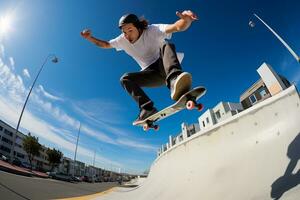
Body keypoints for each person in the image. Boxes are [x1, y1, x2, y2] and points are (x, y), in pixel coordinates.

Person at [81, 10, 198, 124]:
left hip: (166, 66)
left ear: (139, 27)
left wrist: (186, 21)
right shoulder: (122, 40)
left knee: (166, 44)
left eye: (130, 30)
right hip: (151, 75)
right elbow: (106, 44)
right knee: (125, 79)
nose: (127, 35)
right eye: (124, 32)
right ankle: (147, 109)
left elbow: (176, 27)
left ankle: (175, 81)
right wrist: (89, 38)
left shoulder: (153, 30)